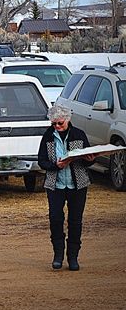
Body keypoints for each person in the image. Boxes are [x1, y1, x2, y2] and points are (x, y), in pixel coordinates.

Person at [38, 104, 95, 271]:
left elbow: (88, 160)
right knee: (55, 219)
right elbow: (41, 160)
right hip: (55, 185)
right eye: (54, 123)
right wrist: (55, 165)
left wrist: (90, 159)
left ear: (68, 120)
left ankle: (73, 257)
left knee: (75, 221)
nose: (57, 126)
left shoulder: (79, 134)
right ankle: (58, 255)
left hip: (78, 184)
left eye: (60, 123)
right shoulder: (48, 136)